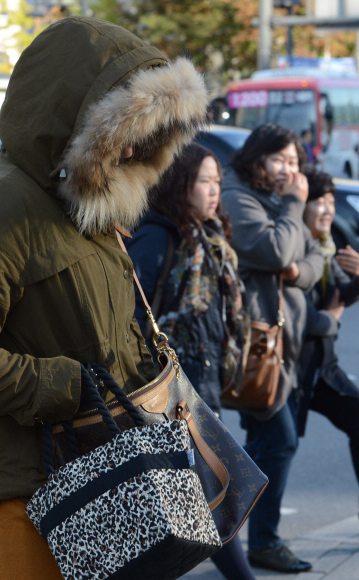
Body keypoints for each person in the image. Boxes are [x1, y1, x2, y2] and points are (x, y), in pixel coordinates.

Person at [0, 16, 210, 580]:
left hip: (106, 480)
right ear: (80, 119)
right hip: (24, 497)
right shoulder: (7, 200)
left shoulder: (91, 201)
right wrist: (65, 385)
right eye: (126, 127)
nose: (136, 145)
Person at [127, 142, 255, 580]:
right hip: (170, 393)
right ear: (180, 183)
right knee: (209, 496)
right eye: (205, 181)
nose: (215, 190)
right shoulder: (157, 238)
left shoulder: (207, 239)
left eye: (218, 181)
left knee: (199, 499)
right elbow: (131, 318)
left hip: (201, 385)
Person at [221, 123, 325, 573]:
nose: (289, 170)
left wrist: (297, 271)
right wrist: (295, 207)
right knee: (276, 439)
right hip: (255, 344)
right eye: (279, 160)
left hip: (285, 344)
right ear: (256, 158)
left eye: (295, 162)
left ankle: (251, 538)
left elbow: (315, 255)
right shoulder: (240, 195)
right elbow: (278, 249)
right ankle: (257, 540)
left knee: (269, 440)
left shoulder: (277, 202)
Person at [297, 166, 359, 485]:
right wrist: (332, 319)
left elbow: (342, 294)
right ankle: (265, 535)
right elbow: (306, 319)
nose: (328, 209)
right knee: (275, 448)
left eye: (331, 201)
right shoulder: (294, 248)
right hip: (291, 371)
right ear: (301, 205)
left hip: (324, 368)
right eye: (319, 201)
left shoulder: (326, 246)